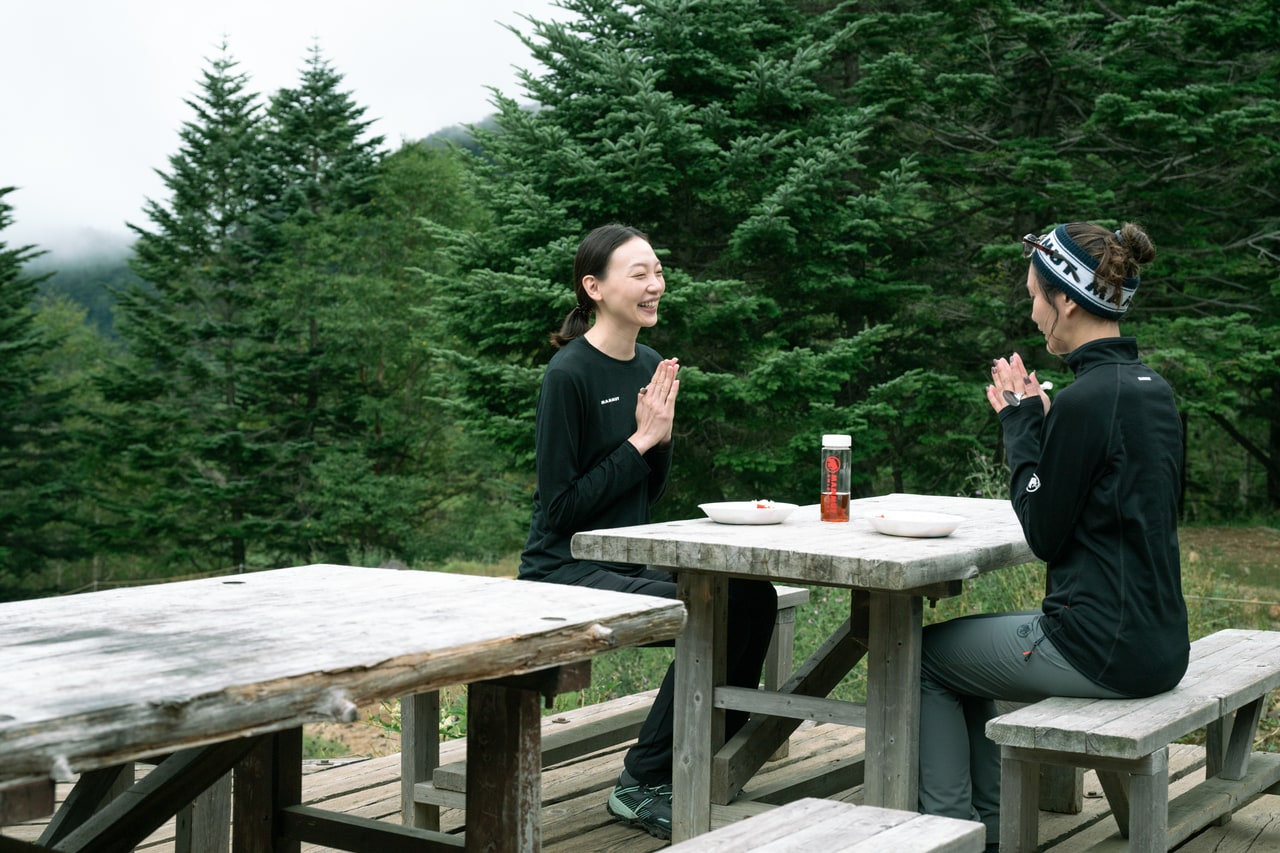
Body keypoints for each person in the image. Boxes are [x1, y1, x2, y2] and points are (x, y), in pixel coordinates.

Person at [916, 221, 1189, 851]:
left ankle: (953, 835)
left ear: (1066, 300)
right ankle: (988, 827)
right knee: (968, 659)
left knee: (927, 656)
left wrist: (1020, 428)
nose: (1032, 310)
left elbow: (1042, 532)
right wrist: (1043, 424)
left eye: (1036, 295)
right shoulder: (1152, 390)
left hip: (1099, 649)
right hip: (1160, 642)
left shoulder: (1088, 398)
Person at [517, 223, 777, 840]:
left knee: (751, 597)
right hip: (563, 565)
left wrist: (654, 440)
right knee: (713, 615)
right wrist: (641, 439)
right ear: (595, 287)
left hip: (626, 558)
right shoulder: (569, 374)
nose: (656, 284)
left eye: (658, 271)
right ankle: (642, 782)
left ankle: (701, 760)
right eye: (639, 273)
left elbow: (644, 492)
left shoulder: (653, 364)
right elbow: (560, 510)